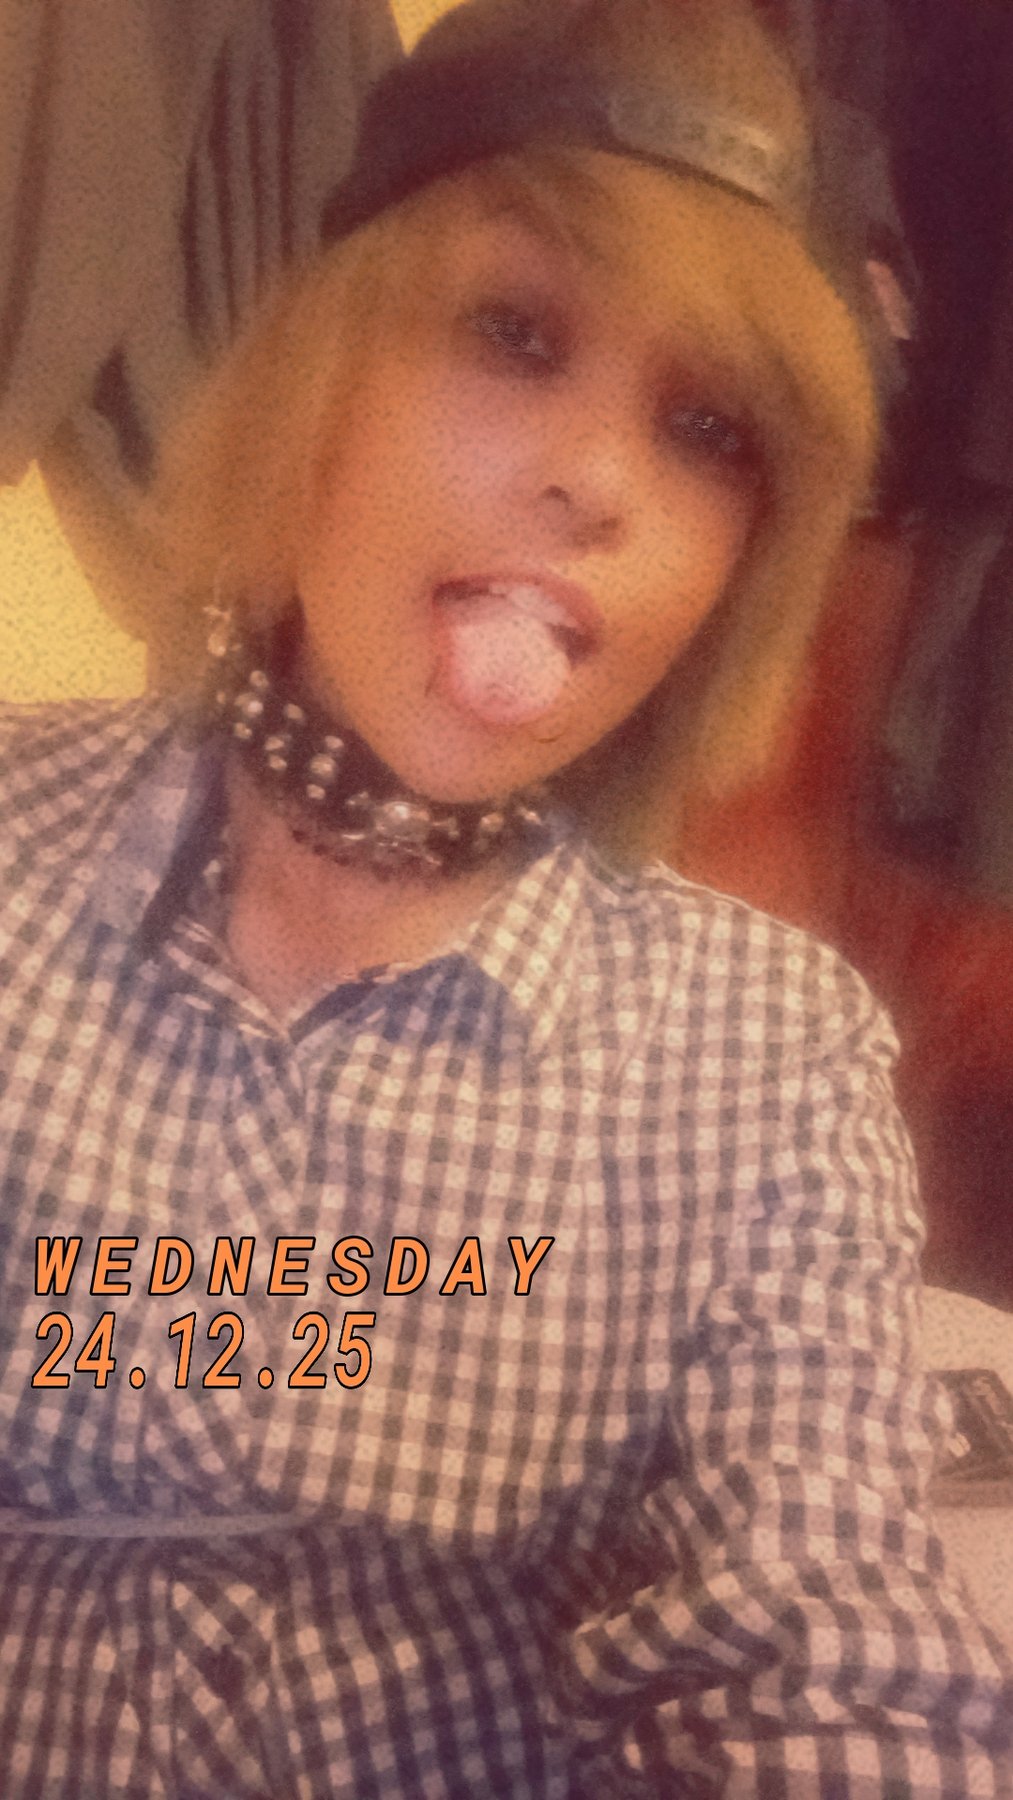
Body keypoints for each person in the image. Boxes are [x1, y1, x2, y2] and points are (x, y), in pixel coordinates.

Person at [0, 1, 1011, 1794]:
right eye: (513, 330)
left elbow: (824, 1640)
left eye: (705, 428)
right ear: (318, 368)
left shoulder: (764, 1060)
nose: (598, 482)